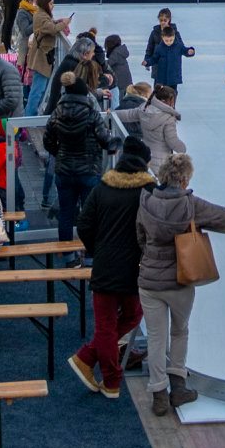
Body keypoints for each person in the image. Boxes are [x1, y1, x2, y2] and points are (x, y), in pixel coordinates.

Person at [138, 153, 225, 415]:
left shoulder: (146, 200)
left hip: (149, 280)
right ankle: (178, 387)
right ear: (184, 178)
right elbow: (224, 216)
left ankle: (158, 394)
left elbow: (140, 236)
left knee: (156, 338)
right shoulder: (190, 204)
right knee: (179, 331)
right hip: (180, 281)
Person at [68, 138, 158, 398]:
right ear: (143, 164)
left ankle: (90, 359)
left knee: (106, 325)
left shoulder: (103, 187)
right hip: (135, 268)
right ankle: (110, 381)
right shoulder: (148, 191)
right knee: (132, 314)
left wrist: (98, 250)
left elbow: (83, 224)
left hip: (105, 266)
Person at [43, 72, 117, 246]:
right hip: (89, 171)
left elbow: (47, 141)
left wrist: (60, 152)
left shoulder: (57, 113)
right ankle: (91, 253)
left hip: (64, 171)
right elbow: (106, 140)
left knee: (66, 213)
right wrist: (116, 144)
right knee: (91, 214)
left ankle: (67, 255)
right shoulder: (92, 114)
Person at [141, 84, 185, 178]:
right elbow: (172, 141)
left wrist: (110, 113)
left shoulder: (144, 109)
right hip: (161, 162)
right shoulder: (168, 119)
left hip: (145, 157)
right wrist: (182, 148)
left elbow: (127, 115)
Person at [146, 25, 196, 96]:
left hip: (173, 77)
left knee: (172, 95)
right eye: (166, 40)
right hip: (160, 77)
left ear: (174, 37)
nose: (169, 42)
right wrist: (147, 62)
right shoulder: (159, 48)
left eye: (171, 40)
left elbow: (185, 50)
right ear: (162, 38)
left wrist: (190, 51)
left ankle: (171, 106)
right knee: (158, 94)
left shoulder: (178, 46)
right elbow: (154, 58)